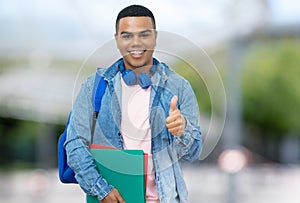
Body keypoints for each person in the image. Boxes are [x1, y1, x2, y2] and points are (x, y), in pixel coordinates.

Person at [65, 5, 202, 203]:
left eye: (144, 35)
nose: (135, 43)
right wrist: (101, 190)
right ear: (117, 39)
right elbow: (75, 144)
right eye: (127, 36)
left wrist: (183, 130)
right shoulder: (93, 87)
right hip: (113, 199)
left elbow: (194, 152)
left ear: (155, 37)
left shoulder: (179, 87)